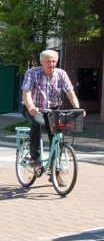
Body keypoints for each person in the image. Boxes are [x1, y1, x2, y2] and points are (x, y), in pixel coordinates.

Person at [20, 50, 84, 182]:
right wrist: (31, 107)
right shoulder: (32, 73)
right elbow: (26, 93)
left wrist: (77, 108)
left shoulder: (61, 74)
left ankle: (55, 172)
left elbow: (70, 92)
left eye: (54, 61)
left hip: (53, 110)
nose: (52, 64)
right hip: (33, 107)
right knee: (39, 123)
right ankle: (34, 157)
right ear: (41, 62)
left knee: (58, 136)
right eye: (48, 61)